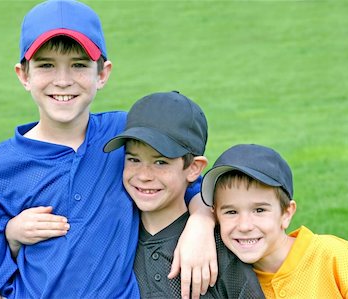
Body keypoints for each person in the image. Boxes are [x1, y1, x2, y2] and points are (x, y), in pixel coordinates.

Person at [0, 1, 217, 298]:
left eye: (79, 65)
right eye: (46, 65)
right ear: (24, 74)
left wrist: (201, 225)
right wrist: (11, 235)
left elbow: (192, 185)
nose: (63, 80)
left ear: (102, 73)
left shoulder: (125, 136)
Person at [103, 91, 265, 299]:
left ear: (194, 168)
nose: (144, 176)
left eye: (160, 162)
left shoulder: (219, 249)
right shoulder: (119, 240)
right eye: (133, 159)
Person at [201, 144, 348, 298]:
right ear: (215, 216)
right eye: (231, 212)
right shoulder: (228, 278)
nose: (245, 225)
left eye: (259, 210)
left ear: (286, 214)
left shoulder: (333, 256)